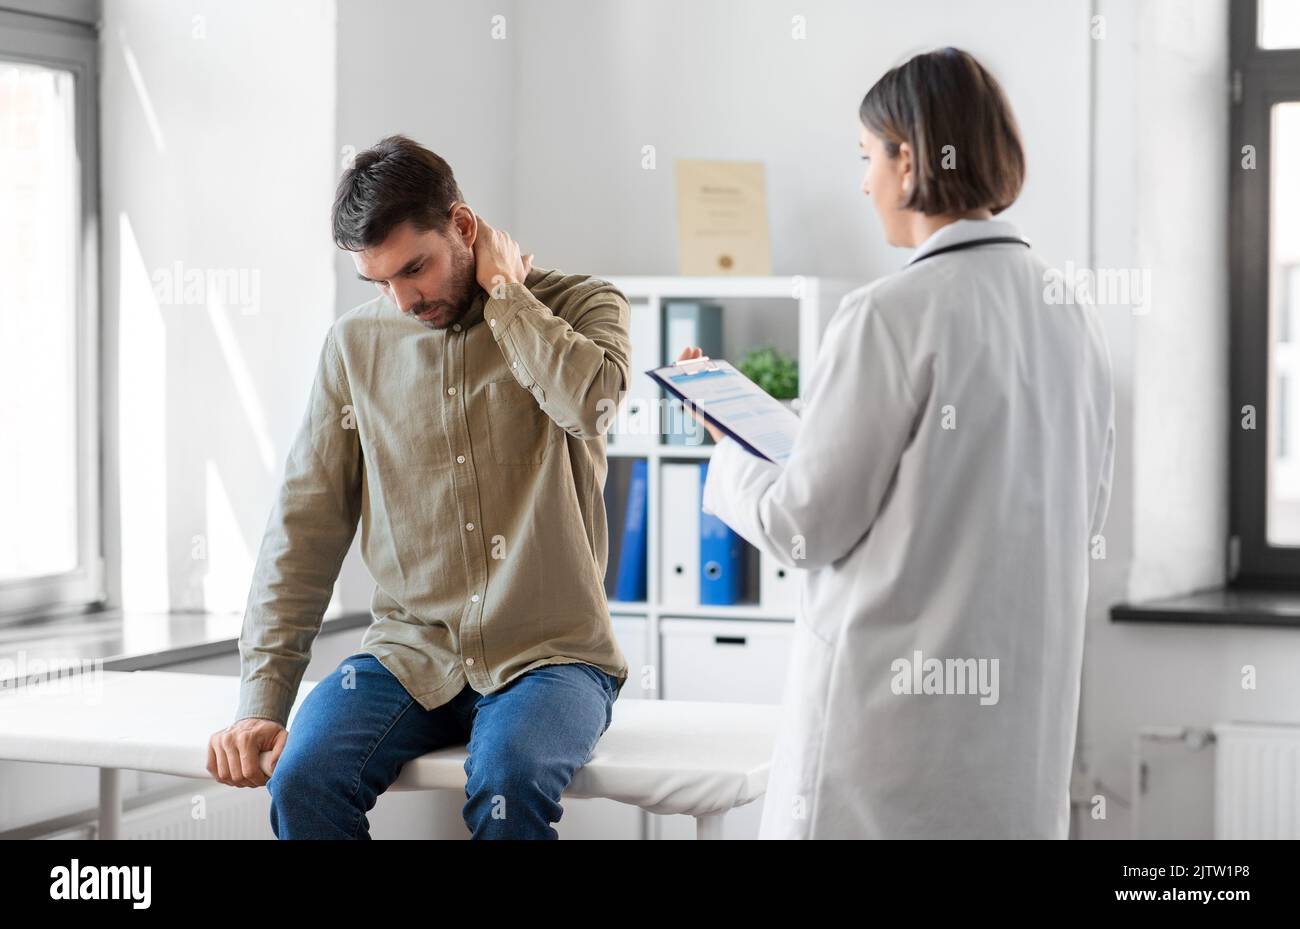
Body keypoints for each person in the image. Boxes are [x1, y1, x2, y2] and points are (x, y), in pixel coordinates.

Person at [683, 47, 1115, 839]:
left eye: (865, 156)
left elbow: (805, 522)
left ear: (908, 157)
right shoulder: (1073, 315)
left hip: (887, 758)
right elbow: (1079, 510)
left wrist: (729, 443)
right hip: (1015, 754)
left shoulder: (888, 315)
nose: (862, 182)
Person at [206, 135, 630, 839]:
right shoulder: (353, 347)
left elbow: (591, 404)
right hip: (409, 652)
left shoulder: (581, 304)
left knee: (510, 782)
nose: (403, 299)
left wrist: (508, 297)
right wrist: (263, 698)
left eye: (415, 268)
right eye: (379, 282)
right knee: (303, 780)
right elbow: (303, 527)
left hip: (552, 655)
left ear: (464, 227)